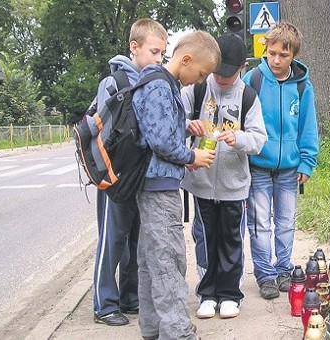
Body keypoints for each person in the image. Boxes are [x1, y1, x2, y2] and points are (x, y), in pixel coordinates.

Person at [132, 30, 220, 340]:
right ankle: (179, 333)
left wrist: (185, 125)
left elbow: (156, 126)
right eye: (200, 73)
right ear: (185, 59)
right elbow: (161, 143)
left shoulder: (157, 82)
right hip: (159, 186)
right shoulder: (159, 85)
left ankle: (154, 328)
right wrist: (192, 156)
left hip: (151, 183)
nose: (199, 81)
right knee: (169, 262)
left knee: (151, 261)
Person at [181, 33, 268, 319]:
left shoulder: (248, 97)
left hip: (234, 185)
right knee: (205, 238)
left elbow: (259, 139)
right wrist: (187, 127)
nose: (221, 78)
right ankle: (207, 293)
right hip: (201, 184)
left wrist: (238, 138)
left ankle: (231, 294)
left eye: (228, 74)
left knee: (232, 239)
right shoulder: (194, 90)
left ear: (242, 67)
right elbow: (172, 127)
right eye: (217, 71)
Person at [88, 18, 167, 327]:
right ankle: (104, 303)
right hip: (115, 176)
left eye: (162, 53)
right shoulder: (116, 81)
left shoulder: (151, 80)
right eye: (154, 51)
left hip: (138, 176)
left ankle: (129, 297)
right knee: (112, 239)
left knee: (135, 239)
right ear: (135, 47)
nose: (159, 59)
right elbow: (107, 134)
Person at [242, 21, 320, 300]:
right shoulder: (253, 80)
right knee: (260, 223)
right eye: (271, 53)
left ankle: (284, 269)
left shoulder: (302, 86)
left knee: (286, 222)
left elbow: (308, 126)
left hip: (289, 168)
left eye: (283, 55)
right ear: (265, 50)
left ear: (294, 56)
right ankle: (265, 275)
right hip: (259, 166)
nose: (276, 59)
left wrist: (307, 162)